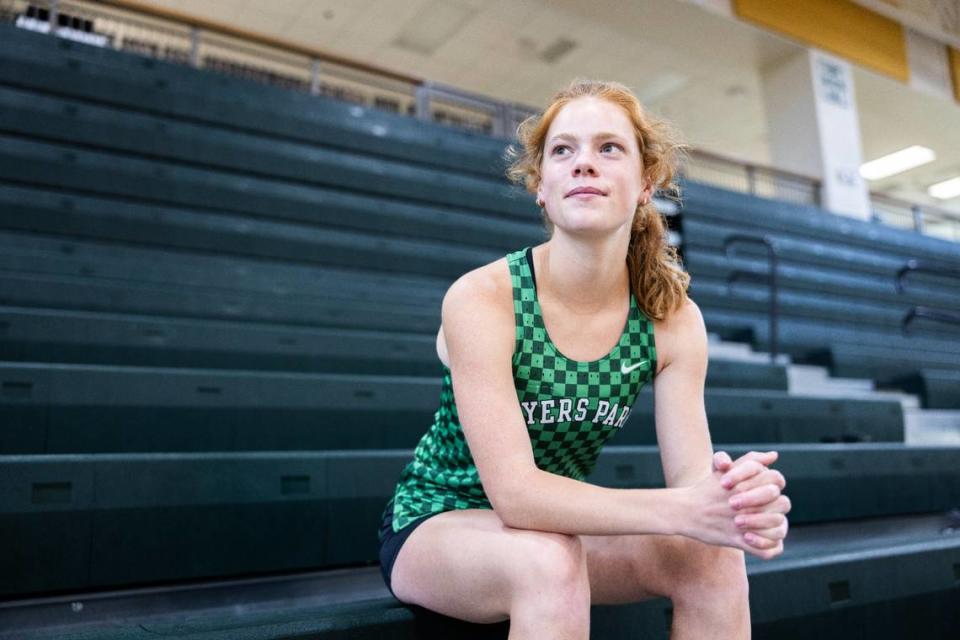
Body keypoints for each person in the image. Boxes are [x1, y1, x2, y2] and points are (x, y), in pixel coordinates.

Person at [376, 78, 791, 639]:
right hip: (438, 523)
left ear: (646, 183)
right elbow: (517, 495)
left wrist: (731, 502)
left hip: (559, 527)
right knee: (550, 562)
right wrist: (684, 509)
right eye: (563, 150)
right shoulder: (484, 298)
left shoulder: (672, 319)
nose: (584, 164)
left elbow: (693, 480)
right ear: (540, 187)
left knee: (712, 556)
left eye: (609, 148)